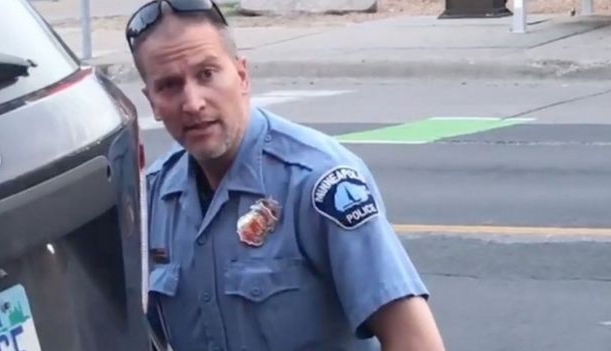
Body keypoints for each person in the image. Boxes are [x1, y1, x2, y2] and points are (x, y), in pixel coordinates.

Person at [125, 1, 446, 350]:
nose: (193, 102)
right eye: (170, 85)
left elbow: (415, 340)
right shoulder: (156, 196)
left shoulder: (318, 181)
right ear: (152, 102)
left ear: (242, 75)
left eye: (206, 74)